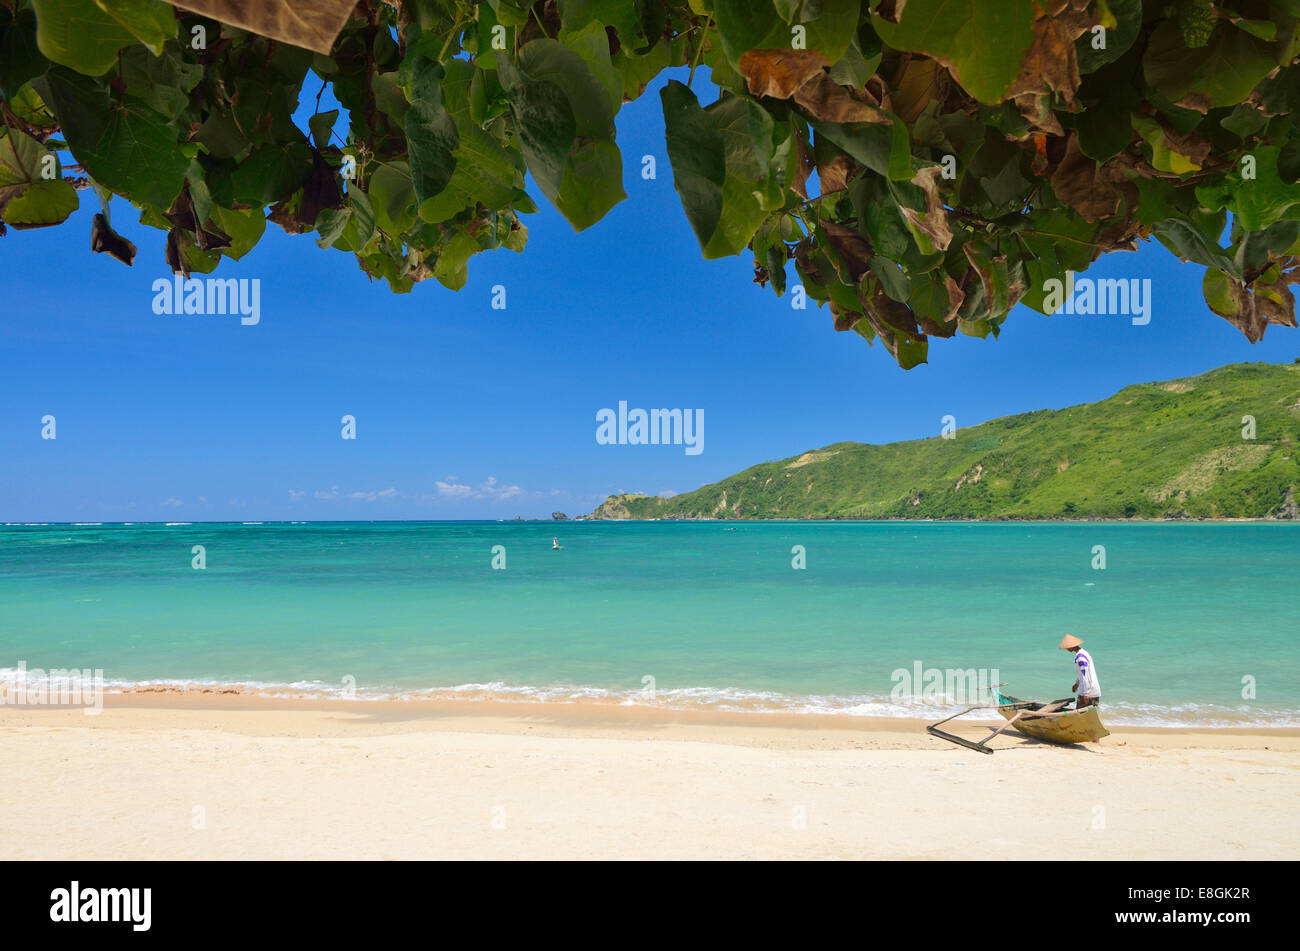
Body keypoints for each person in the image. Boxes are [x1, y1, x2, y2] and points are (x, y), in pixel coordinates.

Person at [1060, 634, 1100, 708]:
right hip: (1092, 691)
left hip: (1088, 693)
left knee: (1081, 716)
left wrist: (1086, 694)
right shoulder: (1083, 653)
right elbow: (1082, 673)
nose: (1066, 649)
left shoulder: (1080, 657)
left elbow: (1086, 675)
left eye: (1067, 647)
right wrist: (1077, 684)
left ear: (1072, 646)